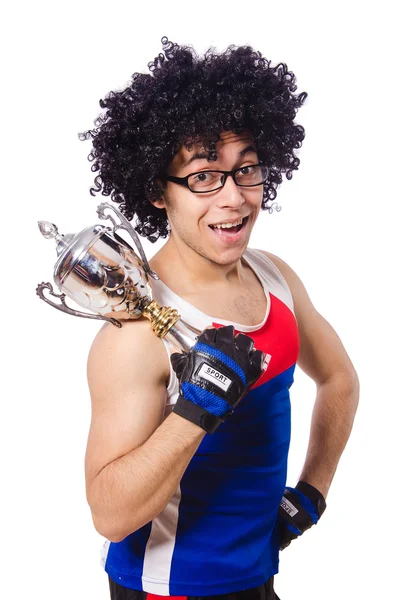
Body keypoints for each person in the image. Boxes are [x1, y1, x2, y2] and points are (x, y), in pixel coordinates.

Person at [81, 37, 359, 600]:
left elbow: (339, 380)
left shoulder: (274, 277)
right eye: (204, 176)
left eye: (246, 170)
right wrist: (198, 406)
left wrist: (311, 493)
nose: (233, 198)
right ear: (159, 192)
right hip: (169, 589)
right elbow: (110, 515)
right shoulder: (133, 335)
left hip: (258, 577)